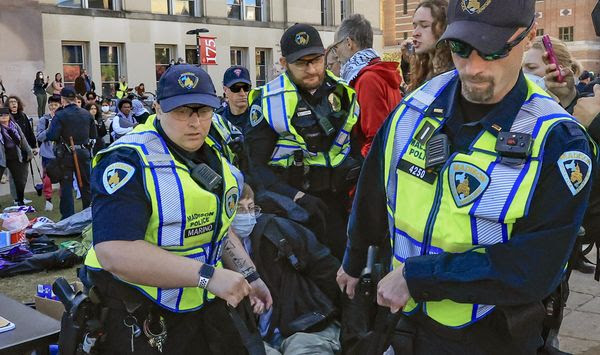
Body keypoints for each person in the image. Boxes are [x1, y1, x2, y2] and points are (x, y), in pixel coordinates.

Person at [337, 1, 596, 353]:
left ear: (529, 36)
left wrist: (419, 277)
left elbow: (534, 267)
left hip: (489, 331)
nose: (473, 67)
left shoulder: (558, 140)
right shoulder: (415, 106)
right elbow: (374, 187)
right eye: (460, 47)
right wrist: (354, 259)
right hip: (403, 320)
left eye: (492, 50)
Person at [82, 64, 272, 354]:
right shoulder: (128, 160)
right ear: (157, 109)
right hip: (140, 312)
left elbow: (217, 229)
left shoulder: (214, 152)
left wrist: (250, 275)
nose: (195, 123)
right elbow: (114, 251)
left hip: (203, 307)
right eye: (182, 111)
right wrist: (208, 276)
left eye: (203, 111)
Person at [246, 23, 362, 260]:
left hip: (341, 202)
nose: (311, 69)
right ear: (284, 63)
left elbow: (356, 143)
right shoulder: (269, 101)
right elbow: (254, 167)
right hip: (294, 205)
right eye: (301, 63)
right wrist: (295, 198)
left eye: (316, 60)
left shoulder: (342, 92)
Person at [232, 184, 342, 355]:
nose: (246, 216)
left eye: (251, 208)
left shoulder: (276, 230)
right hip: (250, 337)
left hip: (306, 325)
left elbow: (326, 269)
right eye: (239, 209)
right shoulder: (208, 251)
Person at [333, 14, 403, 156]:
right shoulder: (377, 71)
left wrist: (365, 174)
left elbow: (375, 137)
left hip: (373, 167)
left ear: (348, 43)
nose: (336, 54)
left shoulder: (368, 79)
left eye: (336, 47)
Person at [46, 87, 97, 219]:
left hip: (66, 154)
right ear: (75, 98)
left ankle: (68, 217)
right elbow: (93, 134)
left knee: (67, 186)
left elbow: (52, 135)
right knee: (86, 185)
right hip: (84, 152)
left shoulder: (60, 114)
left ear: (63, 99)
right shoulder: (86, 114)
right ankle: (89, 214)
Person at [404, 0, 453, 93]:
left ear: (443, 28)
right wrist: (407, 62)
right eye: (415, 26)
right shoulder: (424, 68)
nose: (415, 33)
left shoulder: (455, 73)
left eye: (424, 26)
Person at [0, 106, 33, 206]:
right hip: (1, 158)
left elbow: (22, 139)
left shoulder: (14, 126)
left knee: (19, 180)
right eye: (1, 115)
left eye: (6, 115)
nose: (4, 117)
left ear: (9, 116)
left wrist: (29, 151)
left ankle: (20, 200)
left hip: (14, 156)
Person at [36, 95, 61, 211]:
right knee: (47, 179)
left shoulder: (63, 118)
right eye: (51, 105)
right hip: (47, 154)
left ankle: (63, 199)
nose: (53, 107)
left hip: (61, 153)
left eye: (56, 105)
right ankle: (48, 199)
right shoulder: (44, 120)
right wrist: (49, 128)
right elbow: (39, 137)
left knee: (64, 178)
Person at [217, 66, 252, 133]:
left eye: (246, 88)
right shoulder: (218, 119)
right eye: (235, 88)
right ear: (225, 90)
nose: (242, 93)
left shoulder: (260, 117)